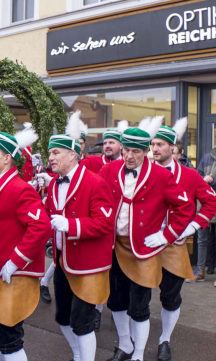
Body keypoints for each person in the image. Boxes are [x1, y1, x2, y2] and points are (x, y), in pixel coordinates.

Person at [100, 116, 195, 361]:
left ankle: (139, 354)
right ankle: (125, 345)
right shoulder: (109, 169)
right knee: (116, 302)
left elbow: (184, 208)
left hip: (143, 249)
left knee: (139, 305)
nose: (129, 156)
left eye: (136, 151)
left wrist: (167, 235)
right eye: (126, 150)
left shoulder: (161, 176)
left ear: (145, 152)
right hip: (114, 246)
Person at [38, 111, 114, 361]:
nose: (51, 157)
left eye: (55, 152)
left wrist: (72, 225)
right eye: (50, 153)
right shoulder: (52, 183)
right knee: (62, 319)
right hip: (62, 263)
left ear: (73, 155)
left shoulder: (95, 182)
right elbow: (48, 217)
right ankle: (79, 355)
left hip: (88, 265)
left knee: (83, 322)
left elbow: (105, 223)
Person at [0, 128, 50, 361]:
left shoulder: (20, 188)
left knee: (8, 338)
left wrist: (15, 261)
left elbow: (41, 226)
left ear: (6, 159)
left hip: (15, 274)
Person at [151, 118, 216, 360]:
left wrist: (193, 226)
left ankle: (164, 339)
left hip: (174, 245)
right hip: (144, 245)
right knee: (137, 296)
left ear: (173, 149)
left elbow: (210, 202)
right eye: (152, 144)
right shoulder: (143, 172)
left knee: (170, 296)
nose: (155, 149)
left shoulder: (189, 176)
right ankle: (132, 343)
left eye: (161, 144)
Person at [190, 146, 216, 282]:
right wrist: (203, 178)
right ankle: (200, 270)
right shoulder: (207, 157)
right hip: (205, 205)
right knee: (202, 240)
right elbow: (197, 176)